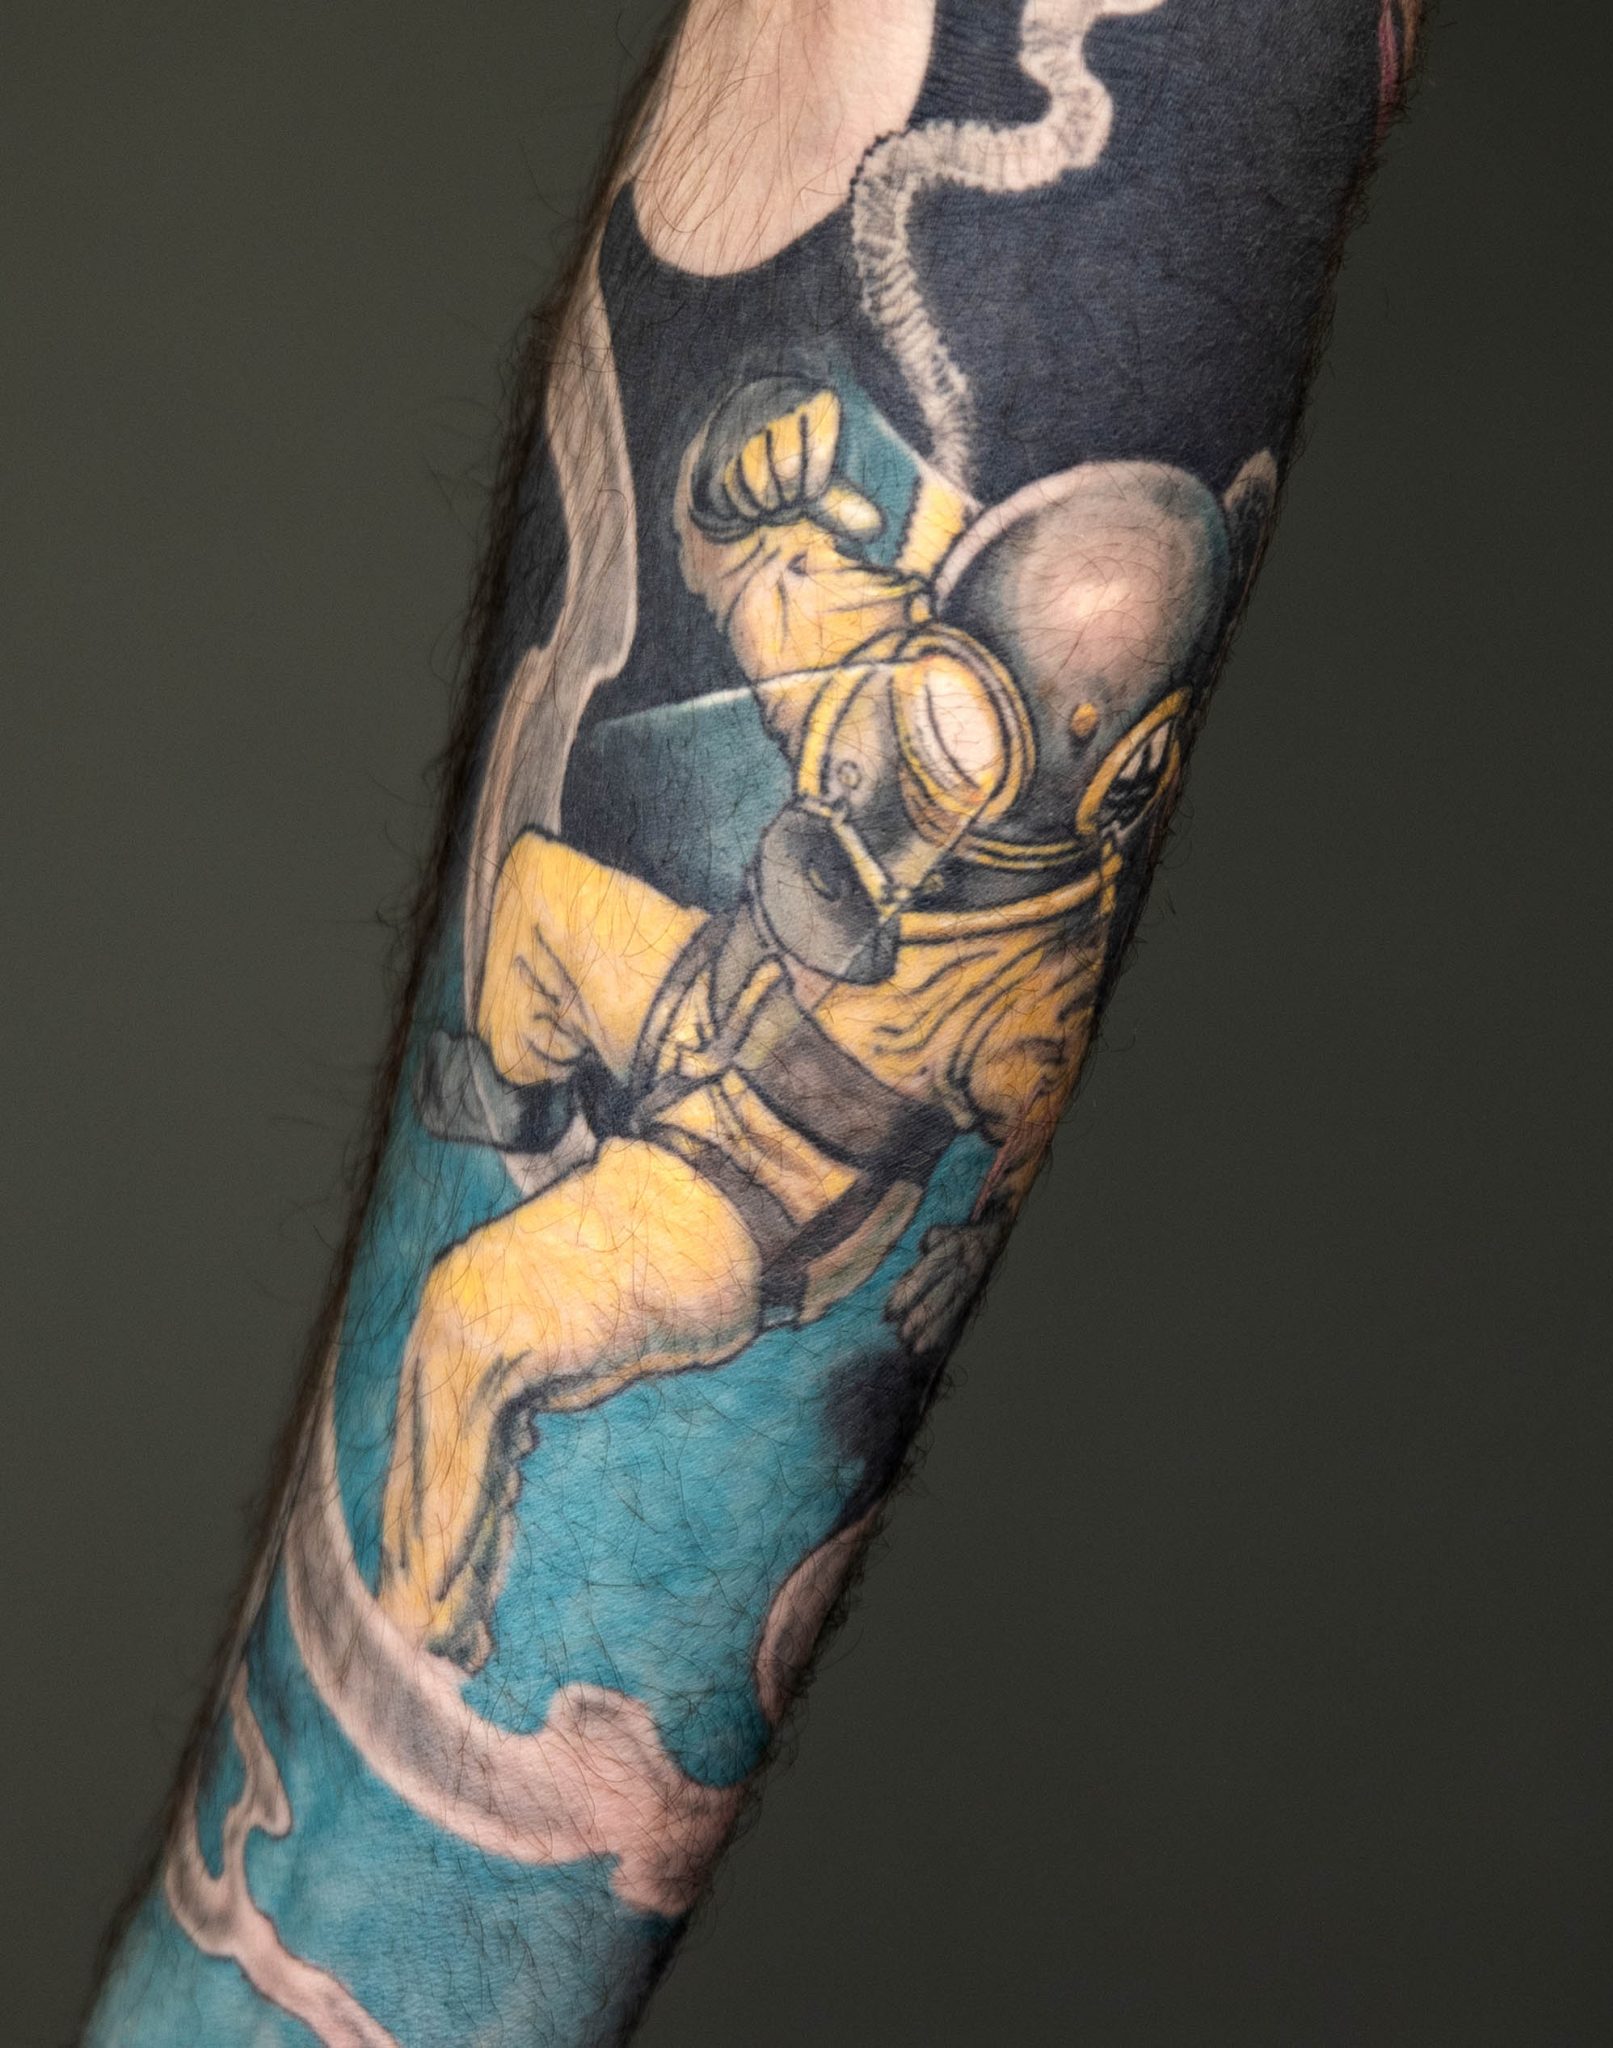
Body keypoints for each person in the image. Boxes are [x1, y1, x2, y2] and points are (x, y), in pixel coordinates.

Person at [85, 3, 1420, 2042]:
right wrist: (764, 490)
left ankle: (428, 1613)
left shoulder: (1006, 965)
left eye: (981, 746)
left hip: (748, 1195)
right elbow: (767, 563)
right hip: (690, 1021)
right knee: (547, 914)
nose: (911, 763)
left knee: (475, 1329)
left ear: (1102, 773)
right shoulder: (899, 677)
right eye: (935, 701)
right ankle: (515, 1113)